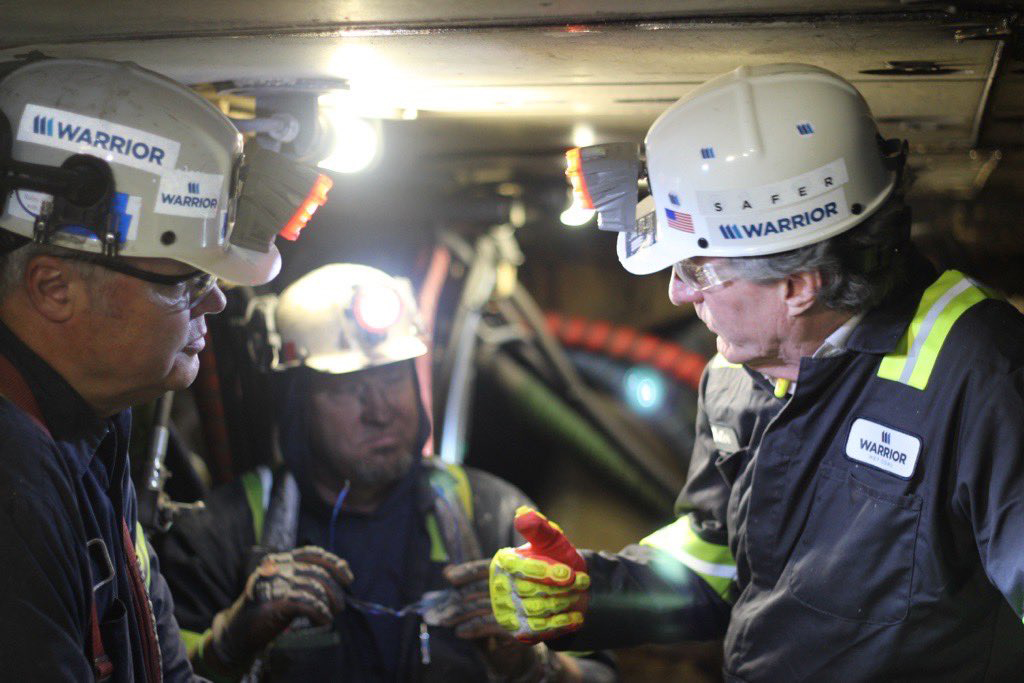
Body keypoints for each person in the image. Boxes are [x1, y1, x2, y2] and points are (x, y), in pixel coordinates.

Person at [490, 63, 1024, 681]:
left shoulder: (983, 376)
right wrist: (591, 593)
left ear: (799, 285)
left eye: (698, 270)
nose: (677, 296)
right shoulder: (737, 373)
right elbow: (724, 554)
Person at [0, 55, 328, 681]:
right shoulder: (12, 480)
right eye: (185, 282)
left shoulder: (94, 429)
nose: (216, 301)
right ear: (53, 288)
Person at [156, 263, 616, 682]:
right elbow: (149, 666)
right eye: (346, 387)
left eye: (394, 378)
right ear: (297, 405)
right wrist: (231, 641)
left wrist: (533, 666)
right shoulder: (220, 534)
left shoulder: (492, 515)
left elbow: (603, 674)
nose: (380, 411)